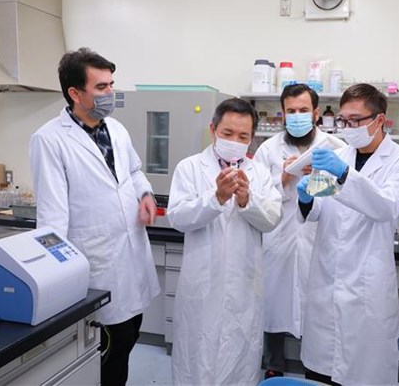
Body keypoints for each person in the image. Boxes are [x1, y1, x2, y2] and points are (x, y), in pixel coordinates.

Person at [29, 47, 160, 386]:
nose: (110, 93)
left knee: (129, 337)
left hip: (130, 259)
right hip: (95, 265)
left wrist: (145, 195)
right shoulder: (49, 139)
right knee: (108, 353)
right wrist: (55, 284)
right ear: (75, 93)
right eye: (101, 87)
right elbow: (52, 219)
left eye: (111, 84)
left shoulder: (116, 130)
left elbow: (134, 172)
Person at [296, 83, 399, 385]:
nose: (348, 127)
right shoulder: (337, 154)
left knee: (363, 372)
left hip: (367, 280)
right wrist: (306, 199)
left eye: (355, 120)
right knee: (321, 371)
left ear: (379, 120)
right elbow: (320, 208)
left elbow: (385, 206)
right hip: (327, 274)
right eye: (343, 120)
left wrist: (344, 174)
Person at [167, 97, 283, 386]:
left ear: (252, 138)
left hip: (244, 285)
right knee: (197, 358)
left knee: (239, 359)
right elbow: (178, 218)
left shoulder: (259, 173)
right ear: (213, 130)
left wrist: (247, 201)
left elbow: (271, 219)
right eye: (228, 133)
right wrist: (216, 198)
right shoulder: (190, 168)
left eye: (243, 136)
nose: (235, 141)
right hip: (202, 284)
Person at [254, 84, 345, 379]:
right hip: (278, 237)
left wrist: (315, 176)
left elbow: (342, 193)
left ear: (316, 113)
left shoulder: (336, 147)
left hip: (317, 235)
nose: (297, 116)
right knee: (273, 301)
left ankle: (315, 367)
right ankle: (273, 365)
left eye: (303, 110)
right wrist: (284, 176)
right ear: (282, 114)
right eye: (290, 111)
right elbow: (257, 195)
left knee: (316, 304)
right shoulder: (268, 149)